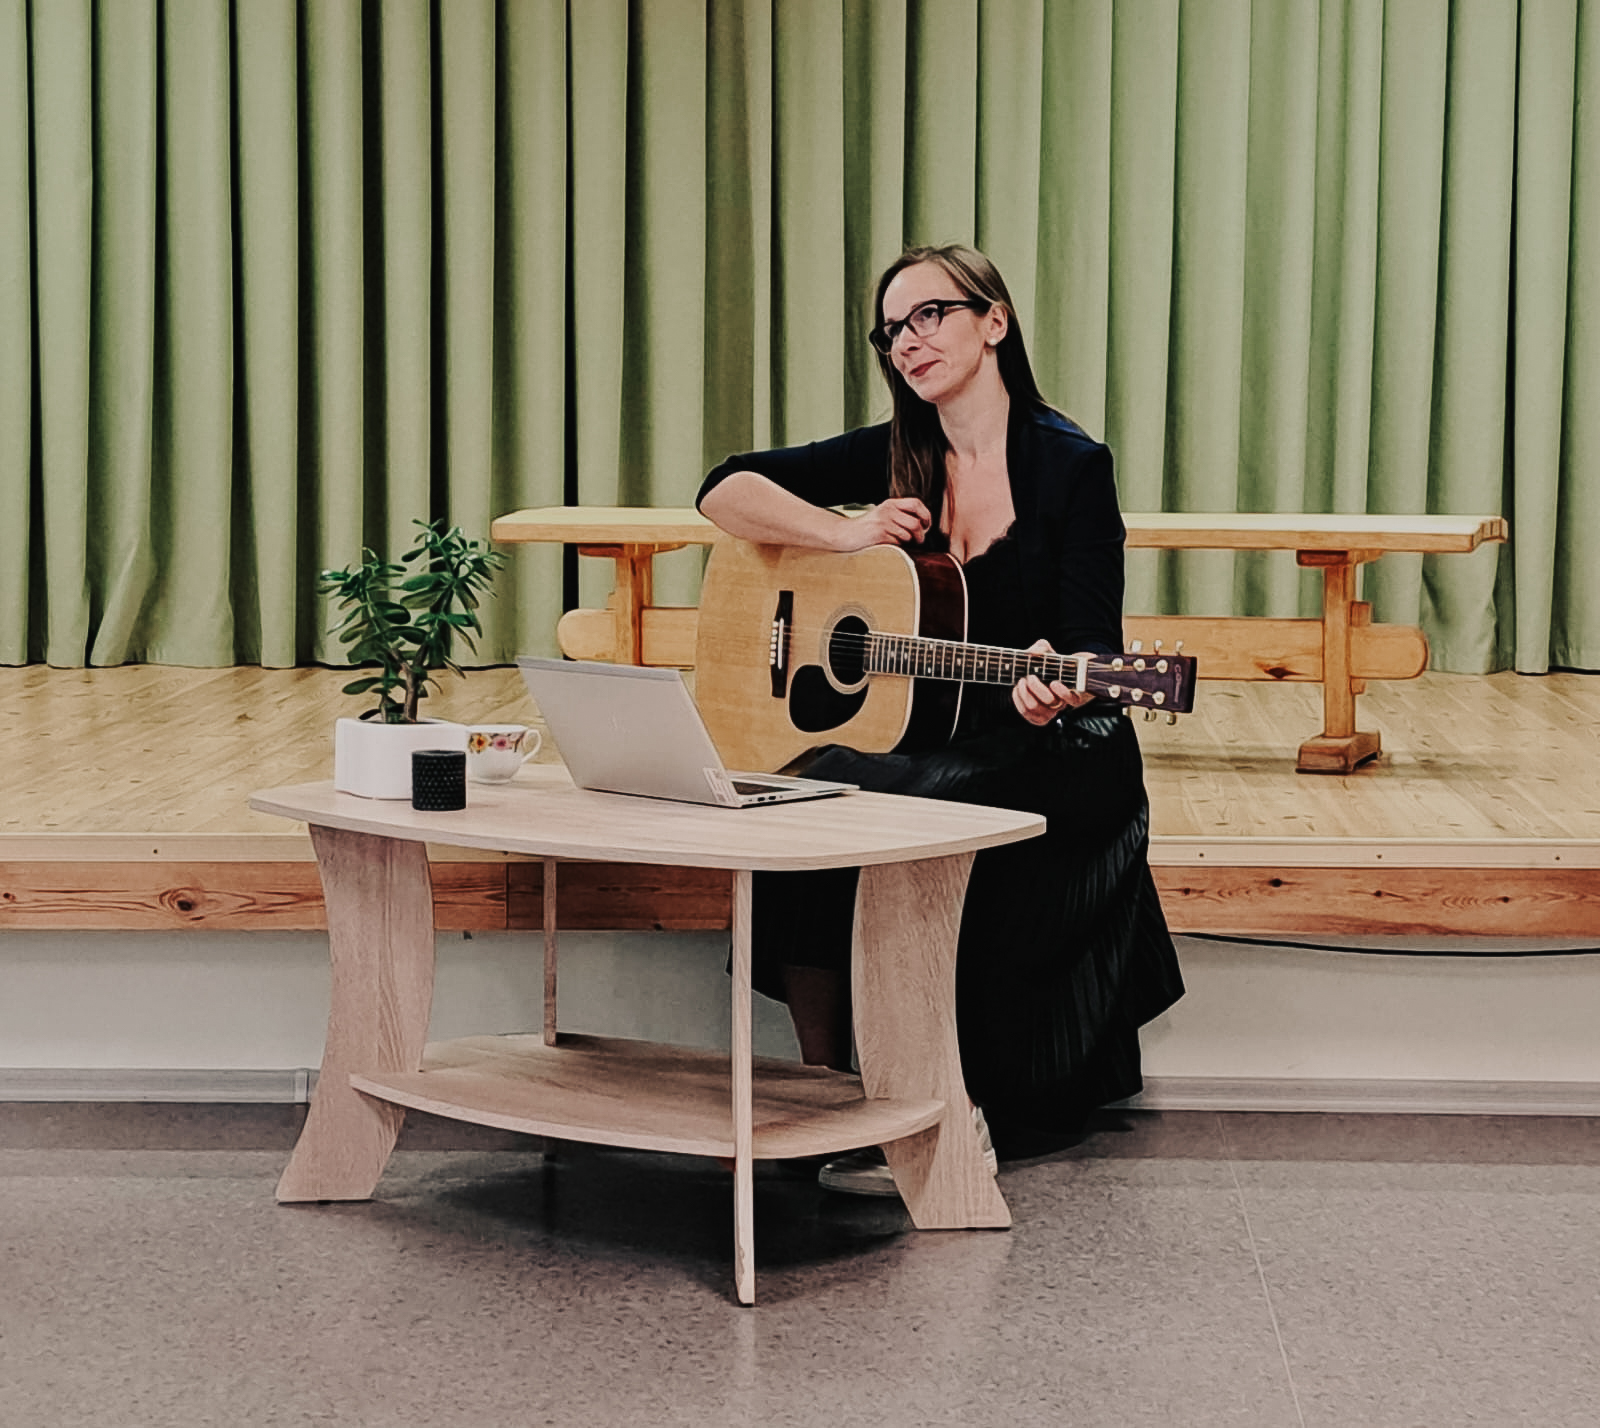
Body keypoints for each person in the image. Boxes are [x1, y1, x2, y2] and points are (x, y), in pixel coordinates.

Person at [696, 244, 1183, 1193]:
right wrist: (843, 533)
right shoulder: (896, 451)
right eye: (892, 329)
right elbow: (724, 487)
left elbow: (1092, 643)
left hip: (1056, 739)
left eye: (930, 315)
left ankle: (943, 1096)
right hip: (934, 730)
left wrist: (1061, 682)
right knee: (802, 791)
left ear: (994, 320)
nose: (908, 341)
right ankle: (830, 1093)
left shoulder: (1070, 464)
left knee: (905, 801)